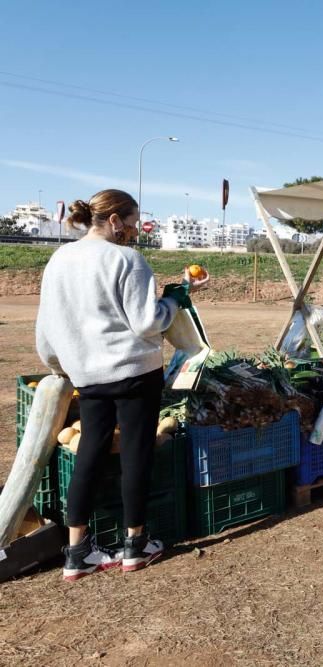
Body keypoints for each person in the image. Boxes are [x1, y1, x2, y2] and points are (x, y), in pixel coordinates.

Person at [35, 190, 210, 581]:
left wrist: (59, 366)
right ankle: (135, 545)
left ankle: (77, 552)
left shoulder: (59, 260)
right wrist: (176, 298)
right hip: (133, 372)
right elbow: (147, 322)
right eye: (131, 224)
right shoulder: (128, 260)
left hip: (87, 375)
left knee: (90, 454)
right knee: (136, 453)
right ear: (114, 221)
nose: (134, 232)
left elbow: (46, 326)